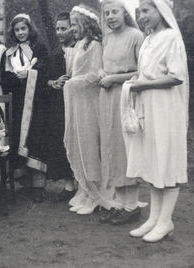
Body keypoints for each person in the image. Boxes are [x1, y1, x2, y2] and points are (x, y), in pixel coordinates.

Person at [126, 0, 189, 243]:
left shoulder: (171, 36)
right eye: (139, 12)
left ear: (160, 11)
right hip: (148, 107)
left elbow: (176, 76)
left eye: (146, 11)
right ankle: (154, 218)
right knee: (153, 161)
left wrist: (143, 84)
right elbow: (146, 72)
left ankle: (166, 221)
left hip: (165, 107)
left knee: (167, 161)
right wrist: (135, 80)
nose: (141, 16)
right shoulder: (149, 39)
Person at [97, 0, 145, 225]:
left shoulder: (136, 36)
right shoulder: (107, 38)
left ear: (124, 13)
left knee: (125, 149)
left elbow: (143, 72)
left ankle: (132, 206)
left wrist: (114, 78)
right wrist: (102, 73)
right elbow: (105, 66)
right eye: (106, 13)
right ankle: (120, 204)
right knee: (110, 147)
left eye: (115, 12)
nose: (110, 17)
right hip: (107, 97)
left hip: (125, 96)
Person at [63, 5, 112, 214]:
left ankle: (96, 194)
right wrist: (68, 80)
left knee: (90, 144)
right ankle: (85, 189)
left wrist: (74, 82)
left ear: (85, 24)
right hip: (78, 101)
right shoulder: (79, 44)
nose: (72, 28)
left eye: (75, 24)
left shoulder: (94, 45)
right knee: (80, 142)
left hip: (90, 102)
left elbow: (95, 75)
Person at [1, 13, 49, 202]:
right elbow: (4, 77)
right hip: (19, 102)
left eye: (24, 28)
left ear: (30, 29)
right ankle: (26, 183)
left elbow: (45, 69)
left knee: (35, 138)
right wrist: (17, 77)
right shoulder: (9, 52)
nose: (21, 32)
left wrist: (30, 74)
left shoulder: (39, 48)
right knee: (19, 139)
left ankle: (39, 186)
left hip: (36, 102)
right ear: (13, 32)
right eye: (17, 29)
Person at [45, 11, 76, 202]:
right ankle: (69, 184)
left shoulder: (82, 48)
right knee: (62, 140)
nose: (59, 32)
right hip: (60, 104)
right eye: (57, 29)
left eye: (64, 28)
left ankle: (86, 185)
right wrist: (53, 82)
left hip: (79, 101)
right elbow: (46, 78)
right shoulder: (56, 52)